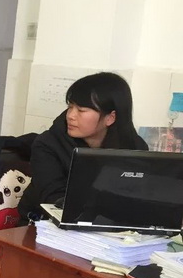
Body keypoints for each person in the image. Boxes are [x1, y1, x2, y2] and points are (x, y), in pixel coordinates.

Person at [18, 72, 148, 222]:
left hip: (109, 226)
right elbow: (54, 199)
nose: (70, 116)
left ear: (110, 117)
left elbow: (138, 197)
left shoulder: (134, 147)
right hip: (43, 224)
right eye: (70, 107)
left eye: (81, 110)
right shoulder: (48, 144)